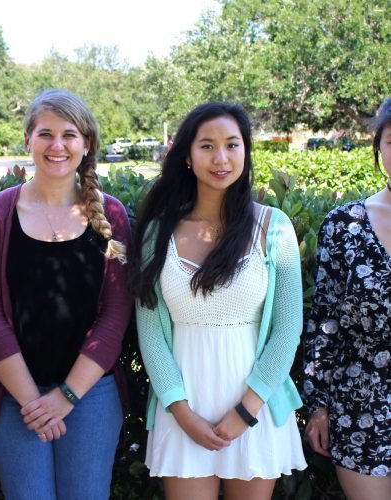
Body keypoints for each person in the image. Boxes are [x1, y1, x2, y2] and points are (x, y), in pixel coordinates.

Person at [131, 102, 306, 500]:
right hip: (183, 409)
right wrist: (181, 412)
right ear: (188, 157)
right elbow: (151, 335)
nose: (221, 158)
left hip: (255, 408)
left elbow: (287, 329)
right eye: (207, 146)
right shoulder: (157, 233)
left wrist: (246, 410)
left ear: (246, 151)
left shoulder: (273, 227)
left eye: (232, 144)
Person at [0, 88, 132, 500]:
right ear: (28, 140)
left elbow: (114, 315)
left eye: (69, 135)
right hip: (15, 396)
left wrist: (66, 395)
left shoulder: (110, 216)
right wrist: (34, 402)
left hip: (91, 394)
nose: (57, 146)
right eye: (45, 134)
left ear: (87, 143)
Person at [303, 97, 391, 498]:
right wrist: (318, 404)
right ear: (378, 148)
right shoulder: (344, 225)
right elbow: (326, 319)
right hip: (361, 400)